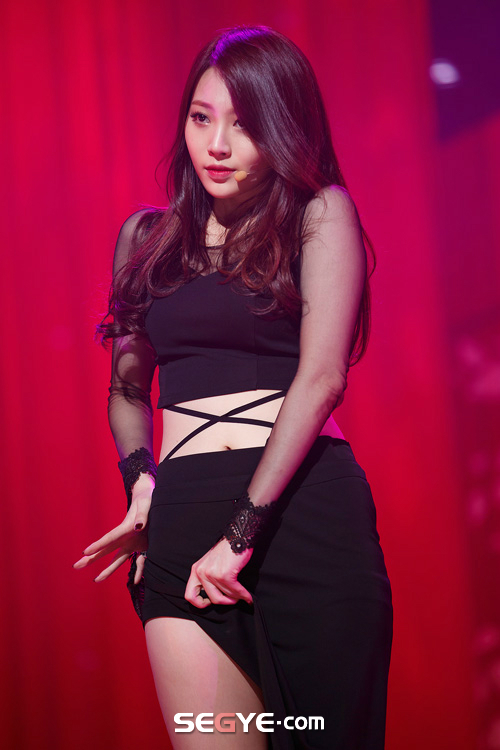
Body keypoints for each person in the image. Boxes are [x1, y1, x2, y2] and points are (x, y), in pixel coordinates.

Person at [74, 25, 393, 750]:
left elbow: (322, 379)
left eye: (244, 125)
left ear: (284, 129)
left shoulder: (319, 214)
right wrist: (142, 483)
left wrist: (240, 534)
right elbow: (127, 390)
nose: (216, 145)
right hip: (183, 519)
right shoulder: (147, 239)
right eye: (201, 117)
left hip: (304, 518)